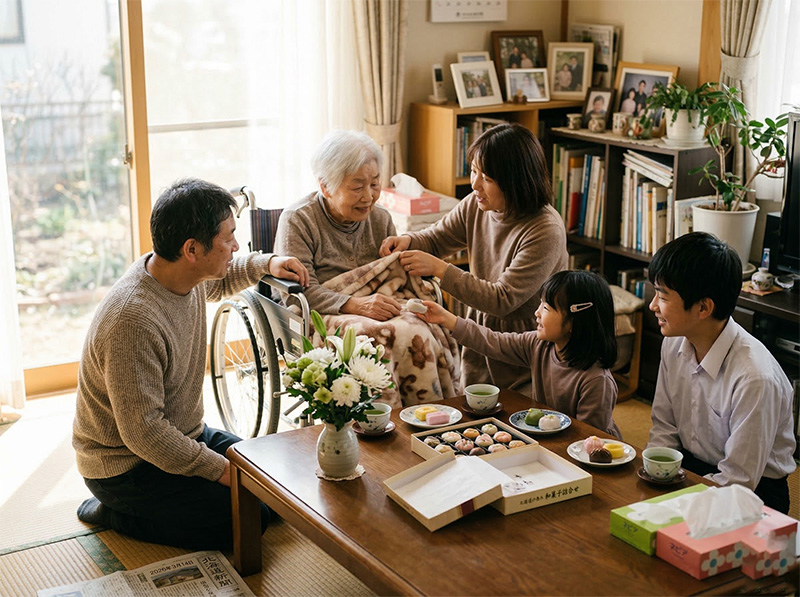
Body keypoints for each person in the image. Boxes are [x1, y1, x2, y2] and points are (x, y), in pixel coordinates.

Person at [73, 178, 310, 549]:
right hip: (124, 466)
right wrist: (220, 471)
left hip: (183, 434)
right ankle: (113, 512)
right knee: (248, 522)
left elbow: (226, 275)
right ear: (192, 249)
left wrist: (269, 263)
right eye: (229, 237)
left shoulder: (183, 273)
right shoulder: (132, 321)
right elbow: (145, 434)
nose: (235, 246)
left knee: (275, 485)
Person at [379, 123, 568, 396]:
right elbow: (437, 238)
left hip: (524, 346)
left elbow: (502, 300)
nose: (475, 184)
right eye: (473, 171)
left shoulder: (545, 229)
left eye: (487, 178)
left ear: (515, 181)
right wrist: (409, 241)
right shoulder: (476, 204)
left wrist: (441, 270)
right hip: (480, 337)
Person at [275, 131, 460, 406]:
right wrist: (355, 305)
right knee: (371, 338)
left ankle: (427, 413)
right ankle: (381, 420)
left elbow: (392, 275)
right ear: (326, 187)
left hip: (381, 307)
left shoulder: (381, 219)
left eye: (375, 184)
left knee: (419, 327)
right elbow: (301, 293)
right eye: (357, 186)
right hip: (322, 313)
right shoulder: (298, 221)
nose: (369, 196)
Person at [646, 232, 796, 513]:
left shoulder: (754, 378)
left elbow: (738, 481)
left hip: (754, 492)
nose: (653, 305)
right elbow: (664, 428)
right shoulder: (673, 342)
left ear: (704, 307)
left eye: (662, 296)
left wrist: (672, 503)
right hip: (689, 466)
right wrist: (656, 471)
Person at [416, 270, 621, 437]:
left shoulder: (597, 381)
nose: (537, 312)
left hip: (586, 450)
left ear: (575, 323)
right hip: (549, 434)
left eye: (547, 307)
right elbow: (493, 342)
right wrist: (446, 318)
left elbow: (589, 439)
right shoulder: (539, 345)